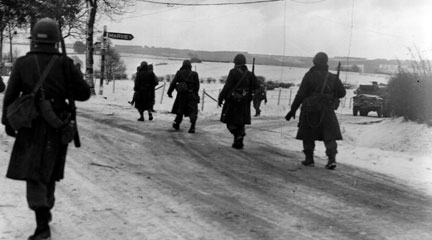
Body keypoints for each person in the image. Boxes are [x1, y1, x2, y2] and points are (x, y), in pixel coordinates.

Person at [1, 18, 91, 240]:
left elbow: (10, 95)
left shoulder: (23, 63)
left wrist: (7, 122)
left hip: (30, 126)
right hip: (57, 126)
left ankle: (42, 224)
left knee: (34, 174)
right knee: (49, 171)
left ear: (34, 40)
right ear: (55, 41)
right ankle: (45, 212)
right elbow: (84, 94)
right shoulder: (65, 64)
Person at [285, 52, 346, 169]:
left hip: (310, 108)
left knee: (308, 134)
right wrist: (333, 92)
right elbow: (342, 93)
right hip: (327, 108)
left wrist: (293, 110)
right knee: (329, 135)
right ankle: (331, 159)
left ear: (315, 61)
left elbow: (300, 94)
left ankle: (309, 159)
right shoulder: (333, 77)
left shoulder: (309, 75)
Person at [218, 54, 259, 149]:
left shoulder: (233, 72)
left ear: (236, 62)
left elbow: (227, 86)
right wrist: (248, 92)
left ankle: (237, 136)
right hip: (245, 102)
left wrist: (221, 97)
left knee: (230, 122)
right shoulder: (250, 74)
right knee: (241, 122)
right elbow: (256, 87)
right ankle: (238, 142)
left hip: (233, 101)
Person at [167, 60, 200, 133]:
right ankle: (192, 126)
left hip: (182, 95)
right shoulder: (194, 74)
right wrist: (195, 93)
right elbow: (197, 86)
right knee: (192, 111)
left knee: (180, 110)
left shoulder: (179, 73)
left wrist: (169, 92)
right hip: (191, 95)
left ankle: (177, 123)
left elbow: (173, 83)